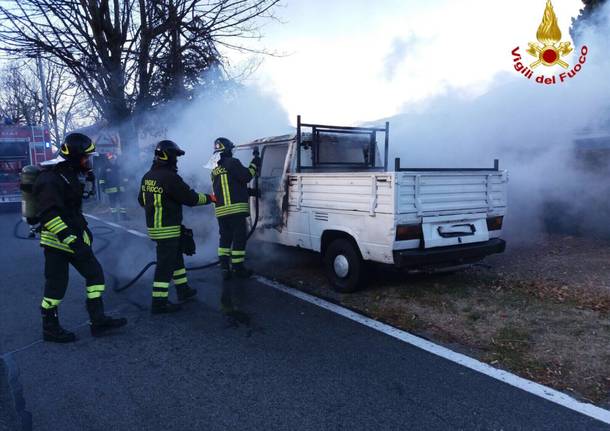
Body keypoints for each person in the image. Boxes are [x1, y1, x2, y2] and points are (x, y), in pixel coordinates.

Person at [34, 133, 128, 343]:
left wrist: (87, 184)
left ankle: (98, 320)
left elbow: (74, 207)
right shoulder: (50, 178)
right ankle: (50, 327)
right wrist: (71, 240)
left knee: (95, 275)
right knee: (56, 287)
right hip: (57, 242)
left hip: (75, 238)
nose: (88, 161)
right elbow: (49, 215)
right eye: (85, 157)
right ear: (74, 156)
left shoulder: (70, 175)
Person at [138, 140, 214, 314]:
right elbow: (190, 198)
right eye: (175, 157)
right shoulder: (169, 177)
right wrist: (210, 198)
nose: (176, 161)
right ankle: (159, 303)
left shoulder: (147, 176)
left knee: (176, 258)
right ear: (167, 156)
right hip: (167, 228)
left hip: (156, 227)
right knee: (165, 266)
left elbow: (141, 201)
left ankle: (183, 290)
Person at [210, 137, 260, 280]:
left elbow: (227, 186)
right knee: (239, 239)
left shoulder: (214, 168)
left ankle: (225, 268)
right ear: (227, 150)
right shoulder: (233, 162)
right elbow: (246, 176)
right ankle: (238, 269)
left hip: (221, 210)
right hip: (235, 210)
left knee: (225, 239)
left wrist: (248, 192)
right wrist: (255, 164)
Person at [99, 152, 128, 221]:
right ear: (109, 160)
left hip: (120, 188)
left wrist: (126, 183)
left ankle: (124, 216)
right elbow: (101, 179)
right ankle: (115, 217)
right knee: (113, 204)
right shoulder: (105, 168)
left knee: (122, 203)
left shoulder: (118, 167)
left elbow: (124, 176)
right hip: (110, 189)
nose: (113, 160)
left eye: (114, 158)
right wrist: (103, 187)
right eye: (111, 159)